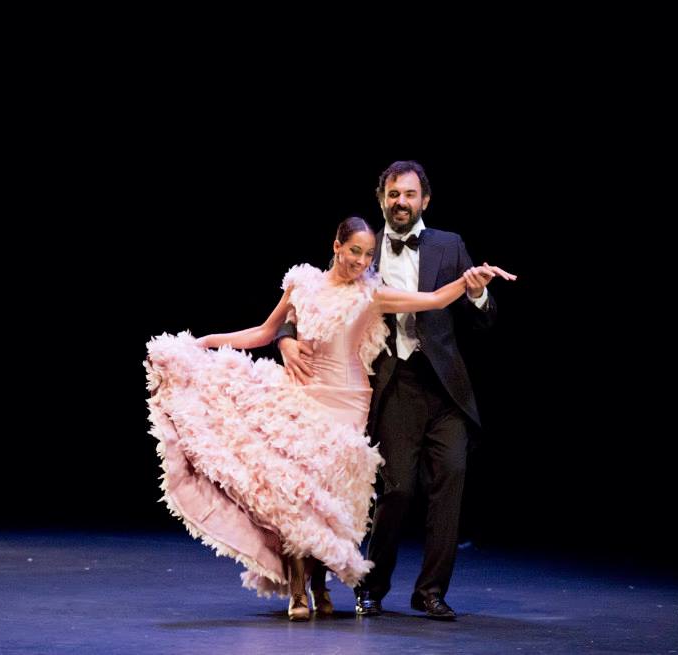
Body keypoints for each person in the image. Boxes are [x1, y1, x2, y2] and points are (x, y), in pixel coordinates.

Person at [145, 216, 513, 621]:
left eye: (369, 254)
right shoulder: (302, 284)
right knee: (295, 492)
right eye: (354, 251)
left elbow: (434, 300)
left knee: (328, 497)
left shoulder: (371, 295)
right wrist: (209, 342)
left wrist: (470, 280)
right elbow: (266, 331)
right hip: (302, 392)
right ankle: (299, 589)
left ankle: (320, 584)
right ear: (336, 245)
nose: (361, 261)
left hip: (348, 401)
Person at [278, 161, 505, 620]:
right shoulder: (365, 245)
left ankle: (431, 593)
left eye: (410, 194)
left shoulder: (449, 245)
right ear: (382, 198)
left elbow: (482, 317)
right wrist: (284, 336)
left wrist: (477, 293)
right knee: (396, 490)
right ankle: (372, 587)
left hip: (445, 390)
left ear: (425, 200)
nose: (402, 202)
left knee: (450, 484)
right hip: (393, 384)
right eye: (394, 194)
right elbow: (319, 296)